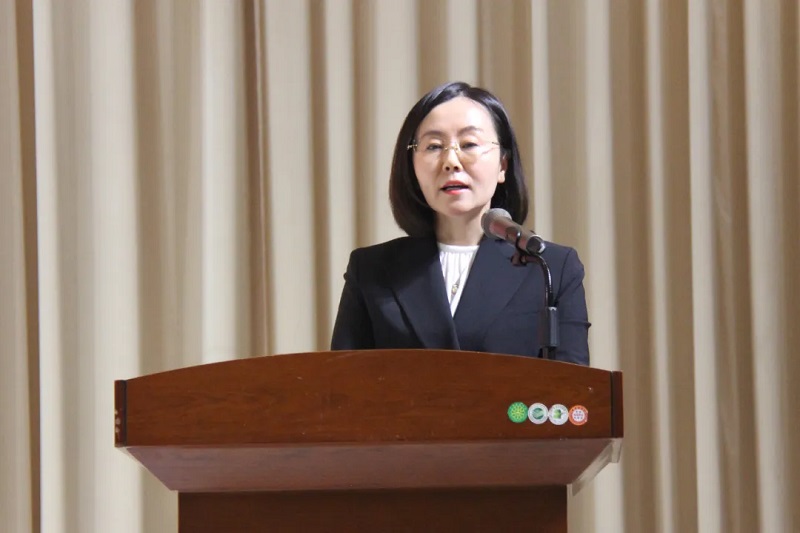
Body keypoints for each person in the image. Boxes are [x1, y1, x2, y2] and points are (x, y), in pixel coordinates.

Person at [330, 81, 590, 365]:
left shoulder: (551, 269)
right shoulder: (371, 270)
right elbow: (343, 385)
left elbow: (574, 388)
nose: (451, 161)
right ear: (412, 165)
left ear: (502, 165)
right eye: (433, 146)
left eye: (469, 144)